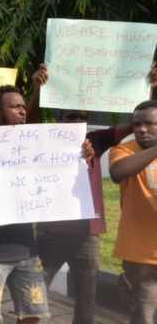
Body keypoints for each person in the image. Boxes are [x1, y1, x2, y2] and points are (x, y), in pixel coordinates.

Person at [27, 63, 157, 324]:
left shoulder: (96, 140)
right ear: (59, 120)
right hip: (50, 233)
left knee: (87, 301)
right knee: (35, 296)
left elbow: (138, 123)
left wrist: (151, 87)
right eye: (69, 117)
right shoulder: (44, 140)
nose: (76, 123)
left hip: (88, 235)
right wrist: (37, 90)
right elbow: (27, 125)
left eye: (81, 118)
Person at [0, 85, 94, 324]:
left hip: (27, 252)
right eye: (15, 106)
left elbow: (59, 178)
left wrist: (81, 158)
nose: (22, 111)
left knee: (34, 317)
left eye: (23, 106)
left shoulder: (37, 146)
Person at [108, 99, 157, 324]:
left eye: (149, 123)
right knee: (143, 316)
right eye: (137, 124)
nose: (142, 129)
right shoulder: (124, 150)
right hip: (141, 253)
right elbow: (118, 172)